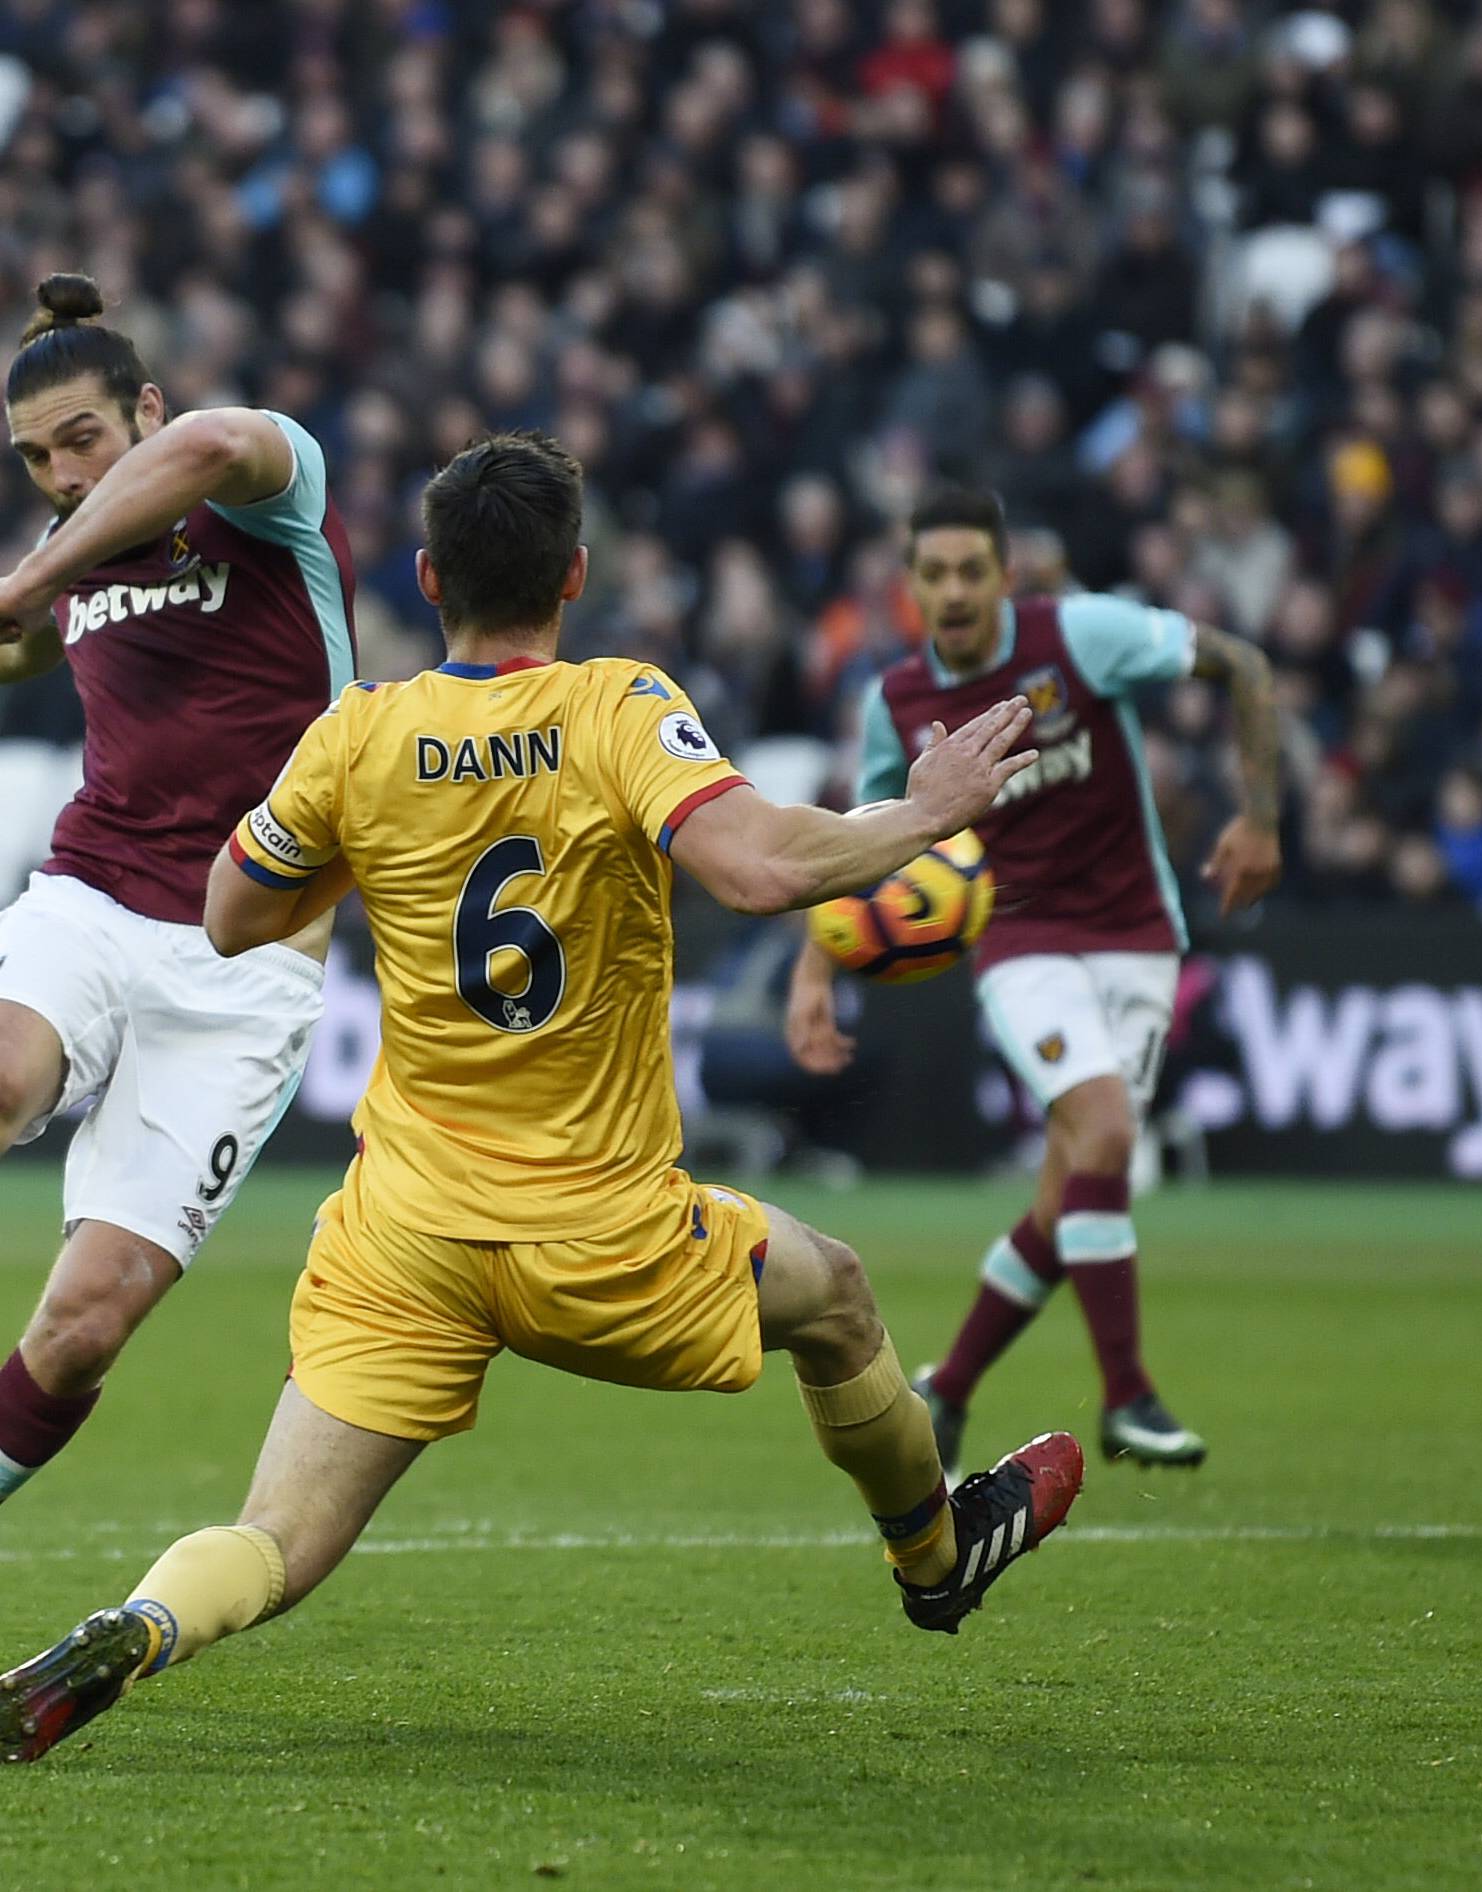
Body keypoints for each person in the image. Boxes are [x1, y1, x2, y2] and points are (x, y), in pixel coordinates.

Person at [0, 433, 1082, 1765]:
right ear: (576, 573)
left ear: (425, 575)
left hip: (406, 1237)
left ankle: (142, 1624)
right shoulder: (619, 708)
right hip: (602, 1237)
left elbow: (230, 912)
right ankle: (936, 1554)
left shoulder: (364, 732)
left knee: (274, 1538)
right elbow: (752, 868)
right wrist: (922, 818)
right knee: (838, 1295)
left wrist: (370, 851)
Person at [786, 484, 1281, 1474]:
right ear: (912, 587)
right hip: (1018, 943)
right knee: (1105, 1133)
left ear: (1005, 576)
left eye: (975, 569)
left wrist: (1259, 815)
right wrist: (813, 969)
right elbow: (862, 837)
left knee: (1071, 1193)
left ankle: (949, 1388)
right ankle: (1129, 1392)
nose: (957, 589)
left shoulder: (1082, 636)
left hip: (1140, 934)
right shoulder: (899, 702)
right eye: (937, 572)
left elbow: (1243, 662)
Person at [0, 274, 355, 1511]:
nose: (59, 473)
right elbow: (29, 639)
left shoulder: (268, 489)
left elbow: (211, 445)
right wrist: (29, 601)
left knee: (85, 1325)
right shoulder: (70, 564)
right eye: (35, 456)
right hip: (90, 896)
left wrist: (29, 576)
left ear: (144, 406)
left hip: (247, 954)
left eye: (84, 439)